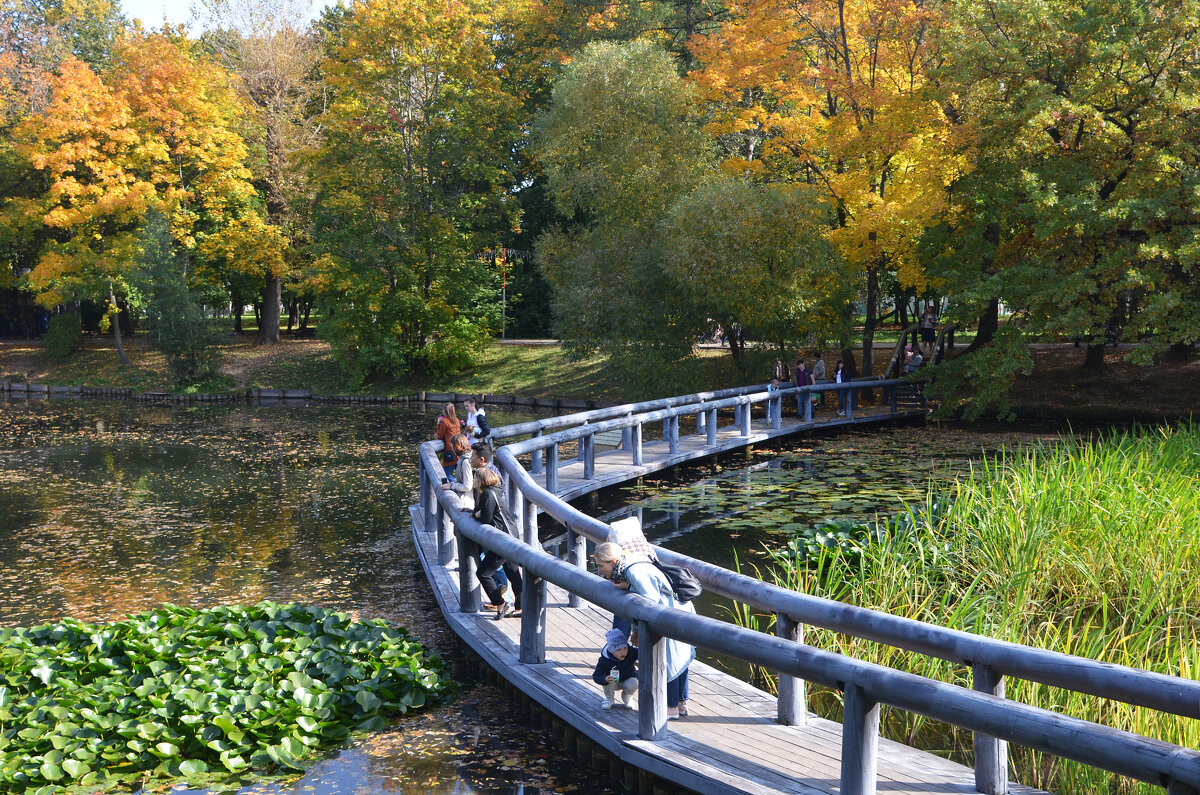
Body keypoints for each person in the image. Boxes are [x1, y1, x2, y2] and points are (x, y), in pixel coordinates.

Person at [593, 541, 694, 719]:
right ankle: (680, 704)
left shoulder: (633, 572)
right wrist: (636, 630)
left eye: (602, 566)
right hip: (678, 610)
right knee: (680, 659)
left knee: (669, 660)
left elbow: (649, 601)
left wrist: (629, 588)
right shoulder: (631, 563)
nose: (600, 571)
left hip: (671, 614)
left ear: (614, 562)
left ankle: (670, 707)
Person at [472, 467, 524, 620]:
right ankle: (521, 607)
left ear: (481, 481)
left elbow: (486, 519)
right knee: (513, 573)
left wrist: (476, 515)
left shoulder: (488, 493)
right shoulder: (494, 491)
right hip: (509, 536)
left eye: (475, 478)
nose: (473, 481)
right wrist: (477, 512)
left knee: (483, 573)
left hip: (502, 540)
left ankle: (499, 602)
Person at [592, 629, 639, 710]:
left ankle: (627, 696)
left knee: (634, 682)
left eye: (624, 648)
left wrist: (640, 644)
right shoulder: (604, 660)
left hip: (627, 679)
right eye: (618, 650)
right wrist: (604, 679)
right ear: (611, 650)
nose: (623, 652)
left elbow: (641, 652)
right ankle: (609, 699)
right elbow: (596, 675)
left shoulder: (630, 652)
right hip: (612, 682)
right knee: (609, 683)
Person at [439, 434, 475, 510]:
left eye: (452, 445)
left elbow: (467, 486)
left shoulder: (465, 462)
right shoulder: (465, 459)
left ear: (456, 446)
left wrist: (452, 486)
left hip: (467, 502)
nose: (451, 447)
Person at [434, 403, 461, 479]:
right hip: (459, 448)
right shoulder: (457, 420)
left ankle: (454, 486)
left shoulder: (444, 421)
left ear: (445, 411)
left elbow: (440, 436)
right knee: (459, 473)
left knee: (446, 474)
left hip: (450, 449)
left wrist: (438, 423)